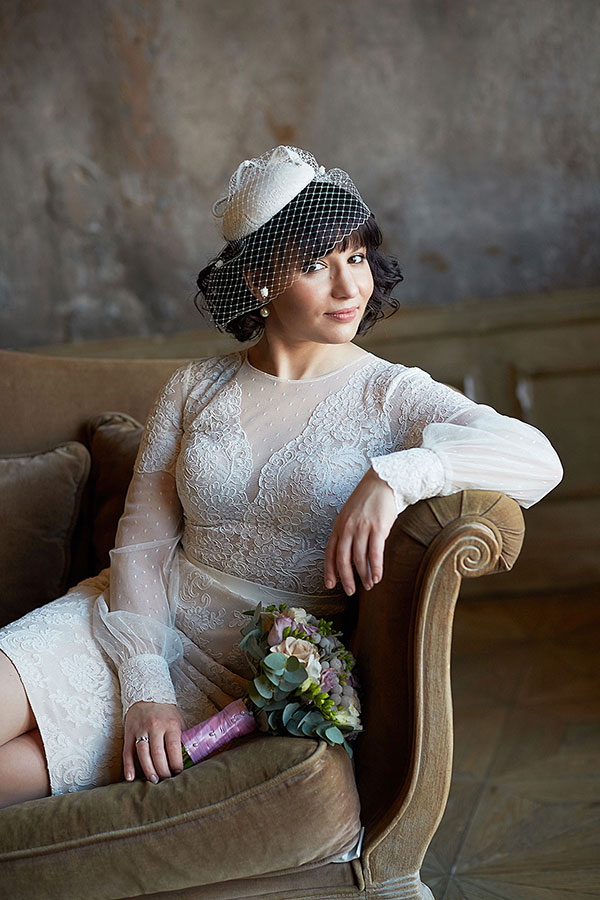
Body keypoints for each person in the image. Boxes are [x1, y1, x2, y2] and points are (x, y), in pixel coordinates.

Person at [0, 145, 562, 809]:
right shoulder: (193, 387)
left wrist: (395, 478)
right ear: (260, 279)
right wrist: (145, 684)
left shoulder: (389, 394)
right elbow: (142, 548)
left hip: (239, 674)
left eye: (356, 257)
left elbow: (537, 457)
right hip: (126, 629)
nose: (350, 287)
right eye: (317, 265)